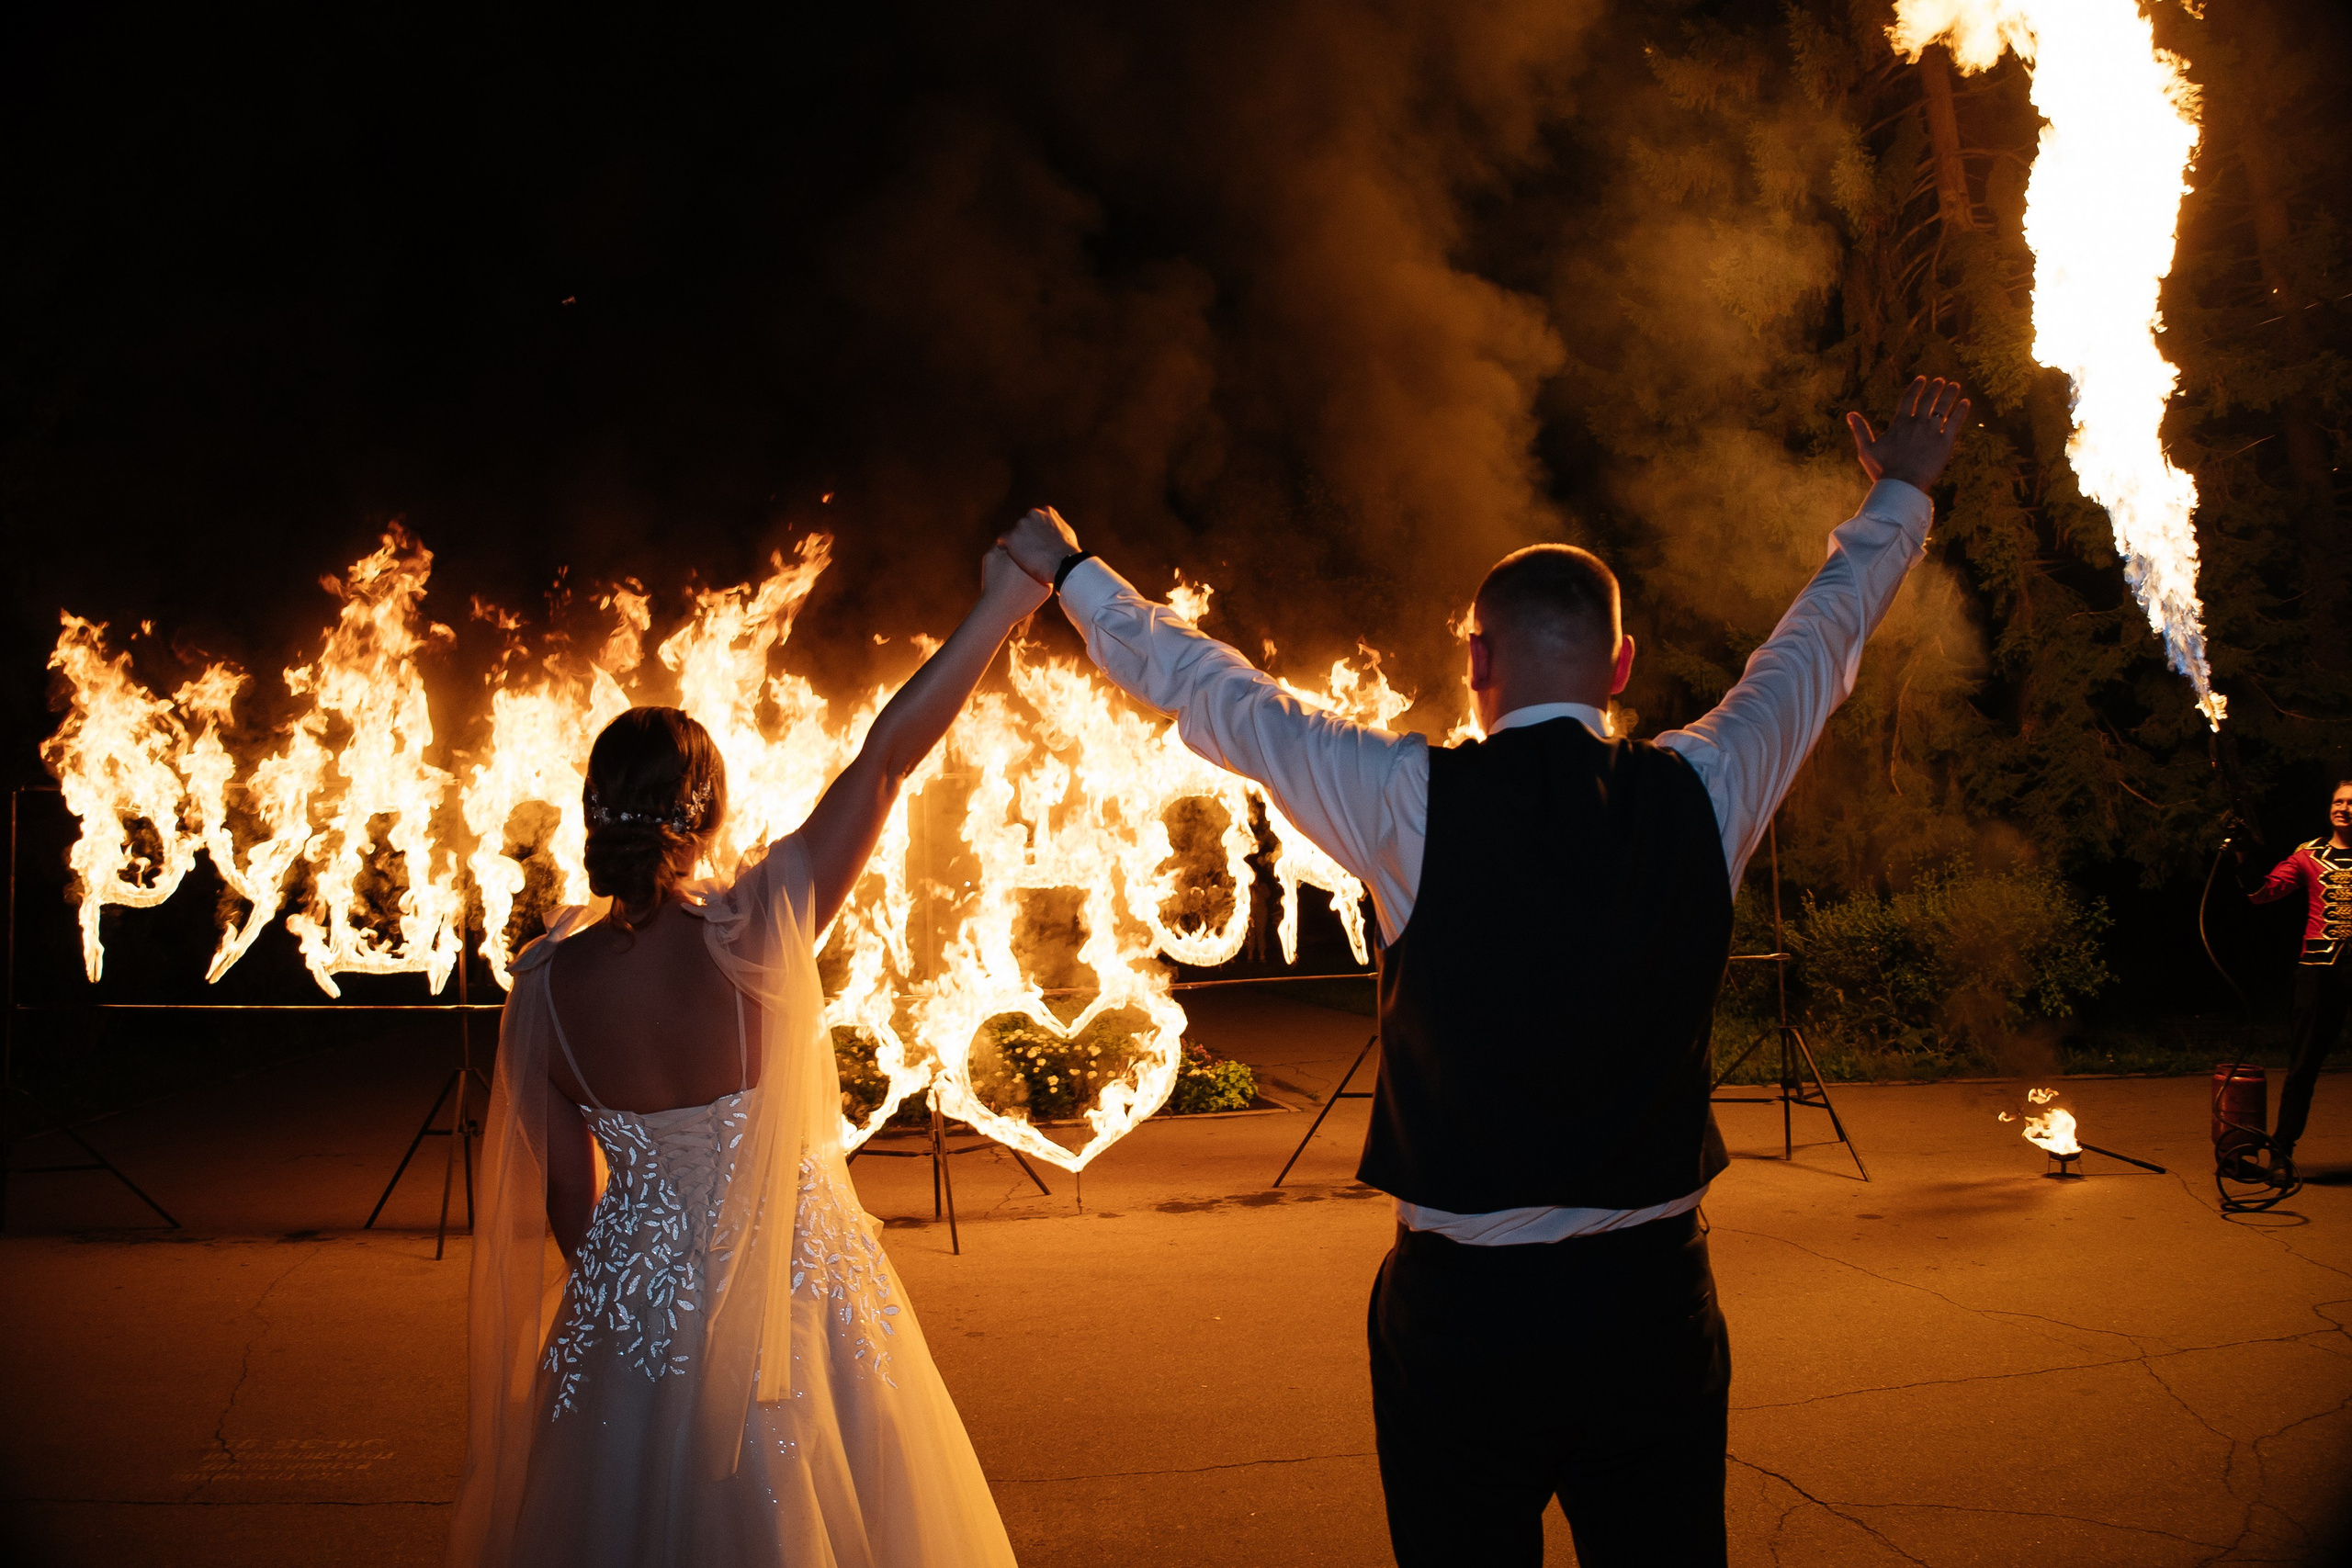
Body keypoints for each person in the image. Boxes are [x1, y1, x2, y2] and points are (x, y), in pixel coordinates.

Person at [1001, 377, 1971, 1568]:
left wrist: (1073, 570)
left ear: (1476, 659)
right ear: (1620, 665)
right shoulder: (1706, 788)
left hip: (1464, 1319)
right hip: (1647, 1305)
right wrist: (1903, 489)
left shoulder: (1410, 797)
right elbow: (1821, 638)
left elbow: (1221, 695)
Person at [449, 545, 1047, 1567]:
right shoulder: (758, 928)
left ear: (595, 817)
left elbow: (566, 1194)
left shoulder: (542, 985)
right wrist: (1007, 601)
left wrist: (640, 1304)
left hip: (631, 1307)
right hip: (797, 1294)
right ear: (708, 813)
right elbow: (887, 760)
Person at [2245, 779, 2352, 1171]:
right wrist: (2243, 856)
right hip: (2318, 971)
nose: (2344, 807)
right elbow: (2262, 893)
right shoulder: (2310, 854)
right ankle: (2281, 1150)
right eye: (2338, 800)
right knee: (2303, 1066)